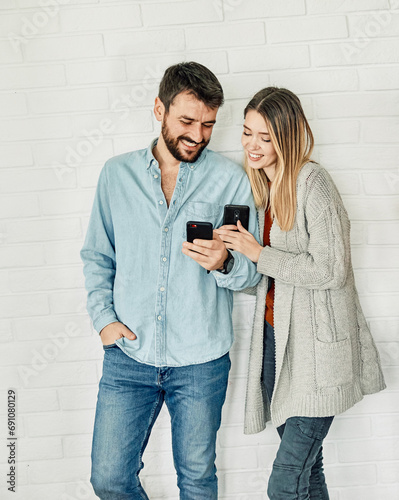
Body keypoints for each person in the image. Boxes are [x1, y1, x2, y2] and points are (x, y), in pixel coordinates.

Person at [80, 61, 261, 499]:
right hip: (129, 355)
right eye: (186, 121)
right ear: (159, 109)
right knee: (108, 478)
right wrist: (104, 319)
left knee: (197, 480)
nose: (197, 135)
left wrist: (223, 263)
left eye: (208, 125)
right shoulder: (116, 175)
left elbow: (251, 276)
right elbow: (97, 256)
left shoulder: (229, 180)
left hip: (201, 359)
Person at [215, 87, 386, 499]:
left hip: (318, 352)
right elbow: (268, 279)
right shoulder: (262, 191)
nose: (252, 145)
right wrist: (224, 260)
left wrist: (259, 252)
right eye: (247, 132)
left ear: (286, 138)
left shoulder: (313, 183)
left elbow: (330, 270)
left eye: (266, 137)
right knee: (308, 471)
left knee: (285, 481)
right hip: (278, 343)